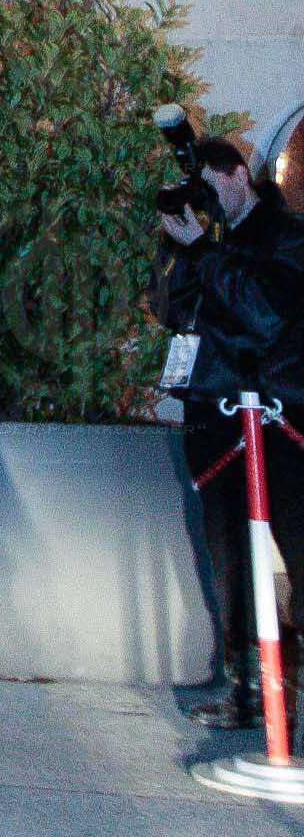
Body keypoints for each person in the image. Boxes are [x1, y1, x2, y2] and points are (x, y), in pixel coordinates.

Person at [155, 135, 304, 730]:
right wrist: (179, 250)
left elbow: (267, 315)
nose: (205, 204)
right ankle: (250, 694)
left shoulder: (287, 236)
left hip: (278, 422)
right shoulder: (209, 243)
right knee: (229, 562)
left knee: (300, 554)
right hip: (218, 419)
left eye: (211, 189)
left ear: (240, 175)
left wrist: (208, 256)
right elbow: (170, 311)